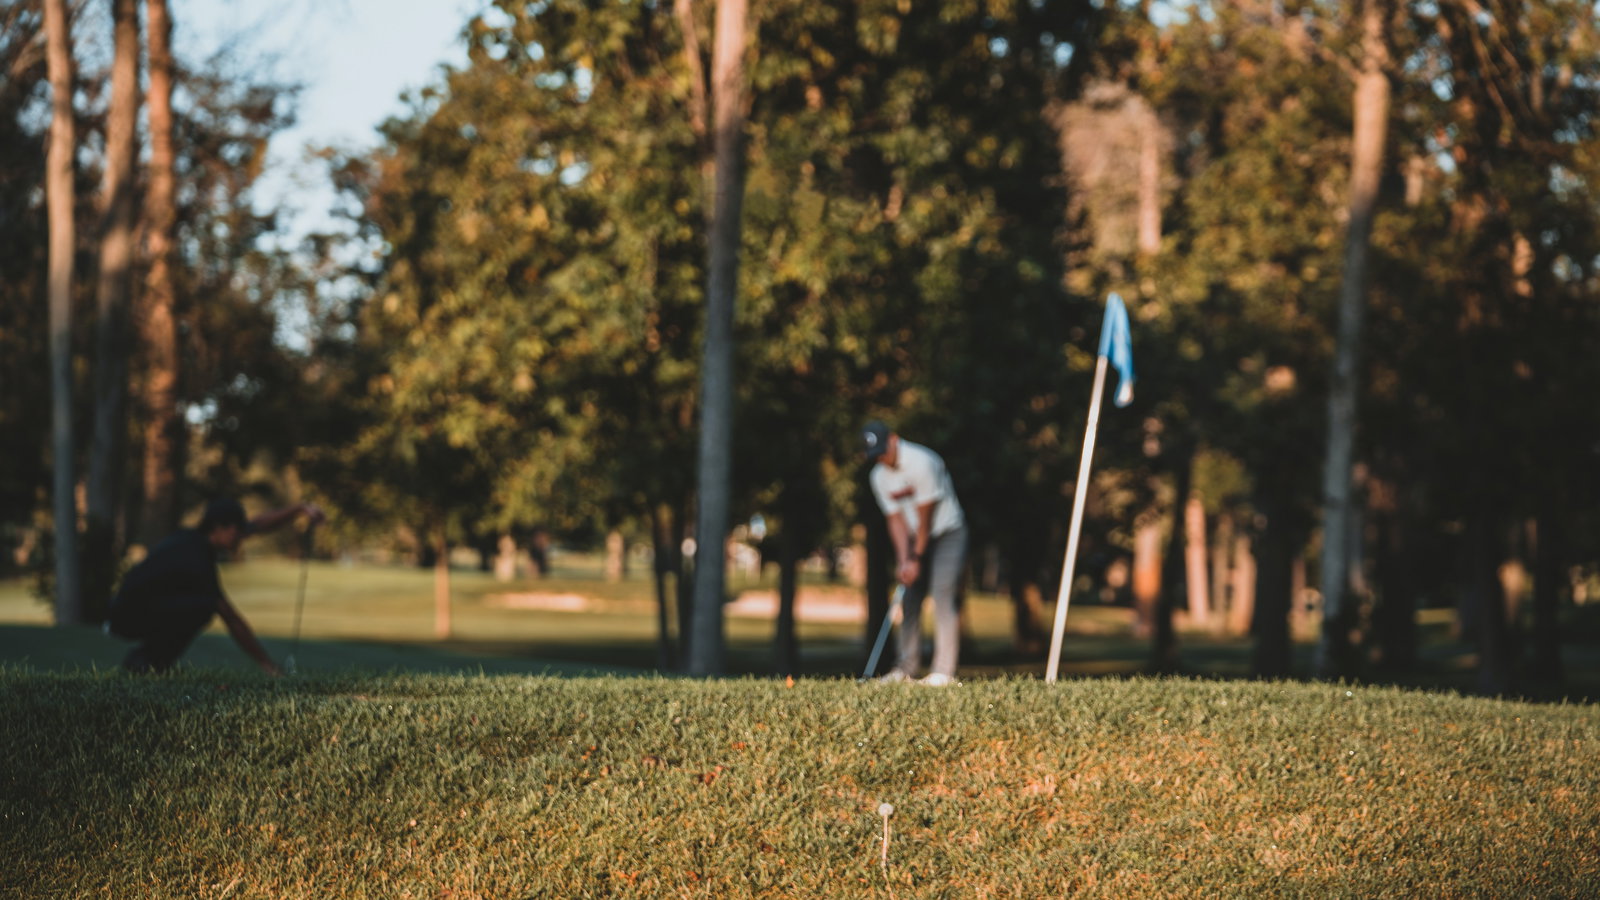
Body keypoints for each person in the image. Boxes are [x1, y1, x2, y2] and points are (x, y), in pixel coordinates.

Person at [107, 498, 325, 675]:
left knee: (199, 605)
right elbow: (229, 616)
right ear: (220, 528)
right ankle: (146, 663)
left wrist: (300, 509)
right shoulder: (196, 557)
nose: (241, 538)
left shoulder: (195, 539)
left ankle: (149, 662)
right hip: (127, 616)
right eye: (237, 531)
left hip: (141, 608)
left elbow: (258, 525)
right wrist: (268, 665)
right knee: (204, 606)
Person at [863, 421, 969, 686]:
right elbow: (895, 520)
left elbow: (926, 518)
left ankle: (943, 672)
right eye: (874, 456)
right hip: (915, 537)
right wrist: (903, 561)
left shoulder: (922, 462)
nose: (881, 459)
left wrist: (916, 558)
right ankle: (905, 669)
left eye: (882, 452)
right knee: (909, 599)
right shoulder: (878, 477)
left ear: (894, 440)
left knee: (942, 594)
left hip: (947, 533)